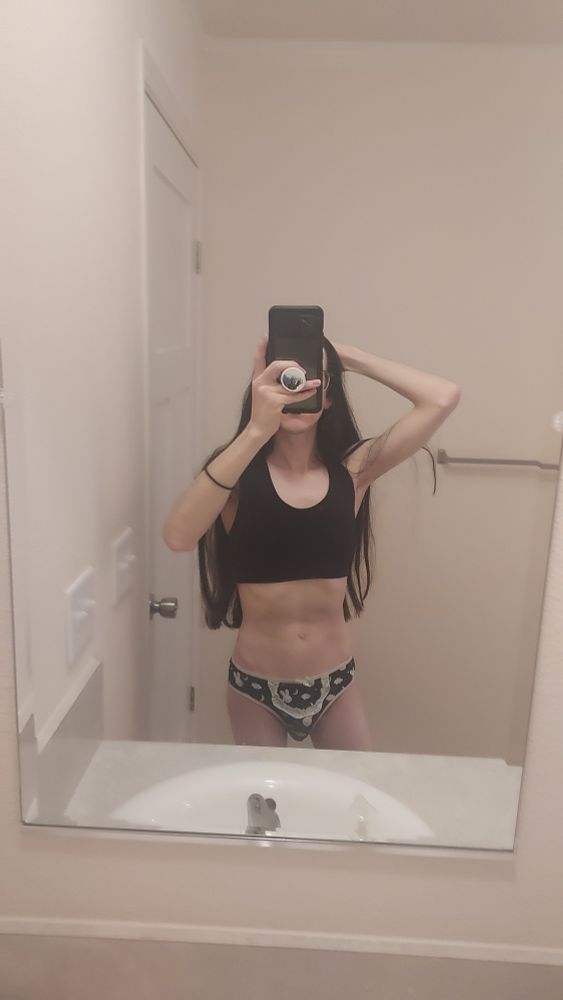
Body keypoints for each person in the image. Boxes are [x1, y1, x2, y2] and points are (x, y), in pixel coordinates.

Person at [163, 334, 460, 750]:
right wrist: (256, 429)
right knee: (264, 794)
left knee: (350, 788)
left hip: (336, 682)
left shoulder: (355, 469)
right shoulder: (236, 474)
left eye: (310, 379)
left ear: (329, 395)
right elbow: (178, 536)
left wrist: (347, 357)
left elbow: (443, 397)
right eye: (285, 379)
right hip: (255, 685)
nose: (296, 389)